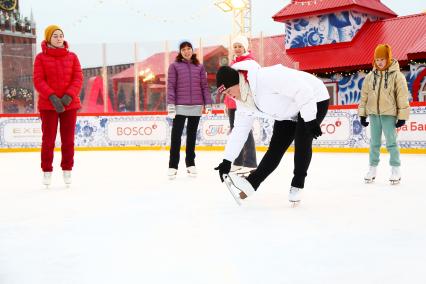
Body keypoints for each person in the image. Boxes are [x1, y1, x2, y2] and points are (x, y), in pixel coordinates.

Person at [214, 62, 329, 205]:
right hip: (287, 111)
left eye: (229, 91)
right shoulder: (243, 102)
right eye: (225, 95)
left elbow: (303, 90)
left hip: (314, 97)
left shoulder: (266, 77)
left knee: (302, 139)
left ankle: (297, 184)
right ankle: (251, 184)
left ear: (237, 82)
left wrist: (310, 119)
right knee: (275, 148)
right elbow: (239, 131)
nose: (229, 96)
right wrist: (227, 160)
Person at [33, 25, 83, 187]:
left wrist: (68, 96)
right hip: (48, 106)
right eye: (55, 35)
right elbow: (38, 80)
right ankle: (46, 171)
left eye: (61, 35)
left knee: (68, 140)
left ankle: (67, 170)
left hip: (70, 105)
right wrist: (52, 97)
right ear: (48, 38)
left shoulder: (73, 57)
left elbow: (78, 78)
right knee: (48, 140)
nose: (59, 38)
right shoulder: (40, 58)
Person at [358, 44, 410, 184]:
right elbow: (364, 96)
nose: (379, 62)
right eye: (377, 59)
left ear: (388, 58)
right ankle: (372, 168)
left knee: (391, 143)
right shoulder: (370, 76)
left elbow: (402, 97)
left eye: (382, 59)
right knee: (374, 143)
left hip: (389, 114)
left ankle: (395, 168)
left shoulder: (397, 76)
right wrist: (362, 114)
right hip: (374, 114)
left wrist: (402, 116)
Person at [167, 41, 213, 179]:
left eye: (189, 49)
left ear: (192, 50)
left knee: (192, 136)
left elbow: (204, 86)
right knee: (176, 137)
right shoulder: (174, 66)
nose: (186, 51)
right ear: (180, 52)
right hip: (180, 106)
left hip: (196, 106)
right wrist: (171, 105)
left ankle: (190, 163)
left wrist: (208, 104)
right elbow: (171, 86)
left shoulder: (199, 67)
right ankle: (173, 166)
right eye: (184, 49)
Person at [223, 35, 258, 174]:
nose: (237, 49)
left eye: (240, 46)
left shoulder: (248, 62)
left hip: (243, 103)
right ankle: (237, 161)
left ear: (245, 47)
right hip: (232, 102)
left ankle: (250, 162)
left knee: (245, 131)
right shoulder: (234, 63)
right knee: (235, 132)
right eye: (235, 46)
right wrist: (227, 103)